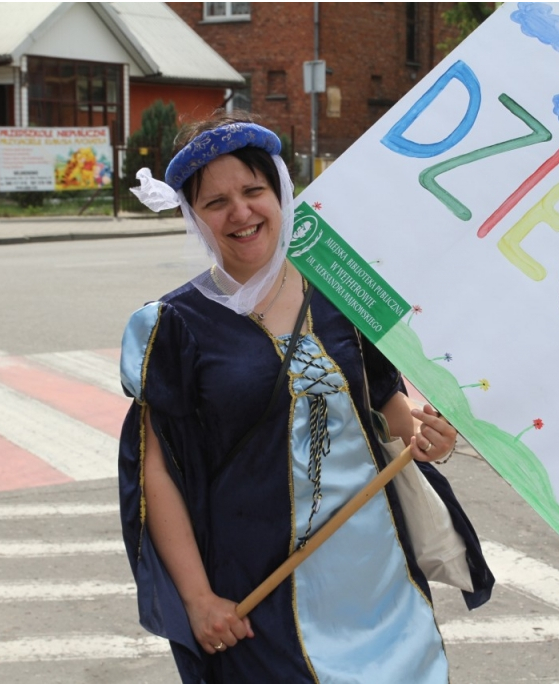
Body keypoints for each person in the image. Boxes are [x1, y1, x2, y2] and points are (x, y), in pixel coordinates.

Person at [118, 113, 494, 683]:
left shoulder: (343, 289)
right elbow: (157, 474)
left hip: (379, 577)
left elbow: (395, 420)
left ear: (281, 192)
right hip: (256, 588)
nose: (240, 213)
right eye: (216, 202)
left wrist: (428, 439)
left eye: (253, 190)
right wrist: (197, 599)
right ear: (193, 218)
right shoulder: (173, 327)